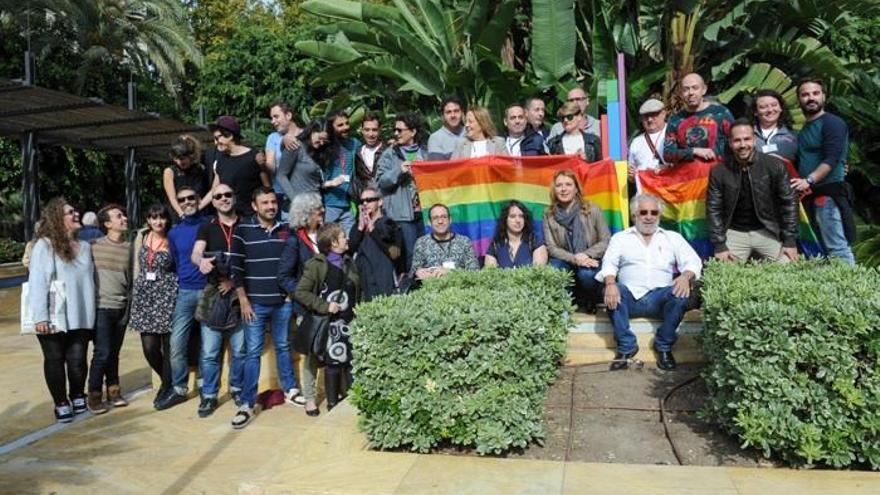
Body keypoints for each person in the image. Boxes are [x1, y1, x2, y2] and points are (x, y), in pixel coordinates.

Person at [598, 193, 702, 371]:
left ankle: (663, 346)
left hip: (660, 298)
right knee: (614, 288)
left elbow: (694, 262)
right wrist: (609, 283)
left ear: (659, 216)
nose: (648, 217)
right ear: (634, 215)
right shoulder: (620, 238)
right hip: (629, 298)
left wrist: (685, 277)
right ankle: (626, 347)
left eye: (654, 213)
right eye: (643, 212)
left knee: (680, 294)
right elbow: (609, 264)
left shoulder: (672, 238)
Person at [231, 187, 304, 429]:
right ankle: (247, 402)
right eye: (265, 203)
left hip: (282, 303)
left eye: (273, 202)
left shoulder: (287, 230)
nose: (271, 206)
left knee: (283, 346)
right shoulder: (243, 231)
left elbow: (293, 267)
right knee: (253, 353)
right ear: (255, 206)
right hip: (255, 304)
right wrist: (243, 299)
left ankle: (291, 389)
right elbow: (237, 268)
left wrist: (290, 295)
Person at [27, 198, 96, 423]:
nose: (76, 214)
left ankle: (78, 395)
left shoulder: (85, 247)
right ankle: (60, 402)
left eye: (75, 210)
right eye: (70, 212)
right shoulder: (45, 245)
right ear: (57, 218)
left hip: (81, 315)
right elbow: (38, 281)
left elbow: (92, 282)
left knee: (77, 360)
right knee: (55, 359)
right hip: (53, 317)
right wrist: (40, 317)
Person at [707, 119, 799, 262]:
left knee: (788, 265)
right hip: (734, 232)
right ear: (730, 143)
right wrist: (719, 244)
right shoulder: (719, 172)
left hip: (767, 230)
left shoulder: (774, 165)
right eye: (737, 140)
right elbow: (714, 209)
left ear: (754, 140)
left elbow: (789, 203)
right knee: (721, 273)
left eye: (747, 139)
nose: (743, 145)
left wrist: (789, 241)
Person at [189, 183, 246, 418]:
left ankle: (237, 389)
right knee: (211, 352)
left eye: (227, 195)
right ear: (212, 202)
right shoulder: (207, 227)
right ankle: (210, 395)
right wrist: (200, 261)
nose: (223, 199)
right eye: (218, 196)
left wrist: (235, 283)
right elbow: (195, 252)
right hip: (214, 293)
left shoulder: (247, 224)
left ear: (234, 197)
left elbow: (252, 259)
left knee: (240, 351)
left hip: (240, 293)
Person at [294, 223, 360, 412]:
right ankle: (331, 404)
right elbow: (301, 292)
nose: (347, 239)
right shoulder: (316, 265)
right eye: (343, 236)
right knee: (332, 364)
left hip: (349, 322)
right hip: (328, 323)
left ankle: (353, 400)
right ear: (332, 242)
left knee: (349, 361)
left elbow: (357, 290)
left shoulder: (349, 262)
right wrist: (324, 306)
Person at [154, 186, 210, 411]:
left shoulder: (209, 225)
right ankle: (179, 388)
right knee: (176, 343)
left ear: (198, 198)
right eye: (182, 199)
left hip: (208, 290)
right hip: (185, 291)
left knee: (209, 343)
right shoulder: (174, 233)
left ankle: (206, 385)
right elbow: (176, 262)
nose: (187, 202)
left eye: (191, 198)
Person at [792, 77, 856, 265]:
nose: (810, 98)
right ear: (799, 99)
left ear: (824, 97)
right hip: (811, 196)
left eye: (815, 93)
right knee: (820, 250)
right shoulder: (804, 129)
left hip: (828, 194)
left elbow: (832, 158)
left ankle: (853, 292)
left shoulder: (832, 123)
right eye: (805, 94)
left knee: (837, 247)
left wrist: (809, 180)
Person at [278, 192, 323, 417]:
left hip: (329, 303)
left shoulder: (326, 234)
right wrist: (303, 296)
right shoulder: (295, 240)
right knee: (312, 353)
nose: (322, 212)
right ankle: (310, 398)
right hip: (307, 307)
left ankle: (336, 393)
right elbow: (284, 276)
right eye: (317, 209)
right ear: (306, 215)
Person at [128, 204, 177, 406]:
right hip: (145, 294)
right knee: (149, 346)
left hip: (167, 293)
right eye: (153, 217)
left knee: (167, 345)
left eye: (162, 218)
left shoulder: (172, 238)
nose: (158, 222)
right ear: (148, 220)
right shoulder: (141, 236)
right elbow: (135, 265)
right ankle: (168, 381)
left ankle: (166, 387)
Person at [86, 204, 131, 414]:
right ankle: (94, 394)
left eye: (123, 215)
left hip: (122, 307)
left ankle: (114, 390)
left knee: (114, 352)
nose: (124, 219)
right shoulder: (93, 246)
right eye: (118, 216)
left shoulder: (130, 248)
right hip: (101, 307)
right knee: (102, 352)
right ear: (107, 224)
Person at [544, 170, 610, 306]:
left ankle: (590, 299)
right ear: (554, 189)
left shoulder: (593, 209)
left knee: (587, 275)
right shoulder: (548, 214)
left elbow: (606, 240)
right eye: (559, 185)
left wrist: (585, 255)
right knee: (554, 270)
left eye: (568, 184)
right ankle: (565, 305)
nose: (563, 189)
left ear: (576, 189)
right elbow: (551, 247)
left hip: (590, 259)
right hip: (565, 260)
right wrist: (574, 258)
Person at [376, 112, 428, 272]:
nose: (396, 133)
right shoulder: (389, 154)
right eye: (395, 130)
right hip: (403, 216)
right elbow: (380, 182)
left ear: (412, 132)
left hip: (425, 213)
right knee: (411, 256)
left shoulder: (425, 153)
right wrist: (399, 170)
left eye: (400, 130)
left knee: (426, 254)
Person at [663, 73, 734, 165]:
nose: (691, 93)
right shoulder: (675, 120)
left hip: (720, 173)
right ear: (681, 93)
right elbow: (668, 154)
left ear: (704, 89)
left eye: (695, 88)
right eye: (686, 89)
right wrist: (693, 151)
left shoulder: (721, 113)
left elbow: (736, 140)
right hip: (690, 176)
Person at [208, 115, 271, 217]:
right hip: (230, 217)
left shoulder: (254, 157)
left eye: (217, 138)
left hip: (252, 216)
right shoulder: (221, 160)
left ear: (230, 136)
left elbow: (267, 187)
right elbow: (215, 190)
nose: (215, 143)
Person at [349, 187, 405, 300]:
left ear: (380, 202)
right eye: (362, 201)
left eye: (369, 200)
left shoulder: (390, 224)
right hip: (364, 283)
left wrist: (373, 231)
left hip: (385, 282)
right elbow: (350, 250)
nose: (365, 203)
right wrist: (360, 228)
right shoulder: (358, 227)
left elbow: (395, 254)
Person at [411, 204, 479, 279]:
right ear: (429, 222)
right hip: (432, 288)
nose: (440, 221)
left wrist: (450, 272)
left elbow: (475, 273)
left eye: (444, 217)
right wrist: (417, 274)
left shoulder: (464, 241)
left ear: (450, 220)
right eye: (435, 218)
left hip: (461, 288)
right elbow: (413, 274)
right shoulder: (421, 243)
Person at [321, 110, 362, 233]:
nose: (345, 127)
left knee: (349, 244)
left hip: (348, 205)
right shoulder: (324, 146)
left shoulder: (354, 144)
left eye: (347, 123)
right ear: (331, 127)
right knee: (327, 242)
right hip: (329, 204)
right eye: (340, 125)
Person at [265, 101, 303, 221]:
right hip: (281, 194)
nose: (273, 121)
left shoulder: (306, 135)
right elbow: (271, 166)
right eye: (271, 118)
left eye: (276, 117)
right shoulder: (273, 138)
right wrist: (261, 164)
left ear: (288, 115)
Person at [277, 118, 330, 203]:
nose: (322, 143)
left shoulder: (319, 152)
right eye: (320, 138)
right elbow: (281, 175)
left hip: (315, 205)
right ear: (311, 131)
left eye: (324, 140)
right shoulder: (295, 146)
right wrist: (295, 200)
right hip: (297, 206)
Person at [484, 200, 547, 268]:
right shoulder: (495, 245)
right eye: (513, 216)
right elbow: (490, 275)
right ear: (505, 219)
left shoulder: (535, 241)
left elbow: (538, 274)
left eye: (521, 216)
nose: (518, 220)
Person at [164, 135, 211, 216]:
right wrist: (182, 214)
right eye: (176, 159)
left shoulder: (200, 169)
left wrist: (199, 208)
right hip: (179, 214)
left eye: (182, 158)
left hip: (200, 212)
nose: (180, 162)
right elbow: (172, 198)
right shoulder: (170, 172)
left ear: (190, 155)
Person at [751, 89, 798, 164]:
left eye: (774, 105)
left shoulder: (794, 136)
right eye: (763, 107)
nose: (770, 110)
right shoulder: (747, 135)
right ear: (755, 112)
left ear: (781, 108)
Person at [628, 98, 668, 185]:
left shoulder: (673, 133)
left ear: (663, 114)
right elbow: (631, 176)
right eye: (646, 116)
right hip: (645, 195)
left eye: (653, 115)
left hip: (669, 192)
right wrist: (633, 177)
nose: (649, 120)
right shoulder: (636, 142)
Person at [353, 113, 387, 198]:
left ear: (380, 130)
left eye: (374, 130)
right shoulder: (358, 153)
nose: (370, 134)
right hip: (367, 202)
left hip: (386, 200)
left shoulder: (388, 151)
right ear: (362, 131)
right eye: (367, 130)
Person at [427, 96, 466, 160]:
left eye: (456, 111)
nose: (453, 115)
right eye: (448, 112)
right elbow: (438, 167)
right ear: (443, 116)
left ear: (462, 113)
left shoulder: (470, 132)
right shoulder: (435, 139)